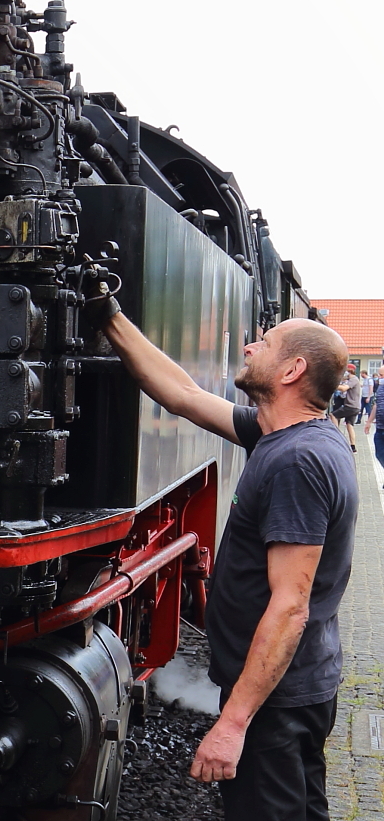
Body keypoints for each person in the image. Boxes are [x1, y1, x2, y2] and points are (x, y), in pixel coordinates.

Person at [90, 295, 357, 821]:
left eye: (266, 343)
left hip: (277, 702)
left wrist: (233, 724)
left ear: (292, 369)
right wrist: (109, 317)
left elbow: (289, 606)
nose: (250, 346)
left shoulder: (297, 461)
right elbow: (183, 395)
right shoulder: (285, 434)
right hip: (297, 687)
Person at [333, 364, 361, 452]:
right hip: (355, 406)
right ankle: (353, 446)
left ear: (348, 371)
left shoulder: (353, 379)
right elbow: (342, 380)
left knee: (332, 415)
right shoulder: (351, 379)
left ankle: (337, 437)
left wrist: (332, 385)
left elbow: (344, 388)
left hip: (350, 406)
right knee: (349, 425)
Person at [363, 374, 384, 476]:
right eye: (379, 375)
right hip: (380, 427)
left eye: (382, 375)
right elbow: (377, 404)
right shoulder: (380, 387)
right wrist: (369, 422)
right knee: (379, 454)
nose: (380, 378)